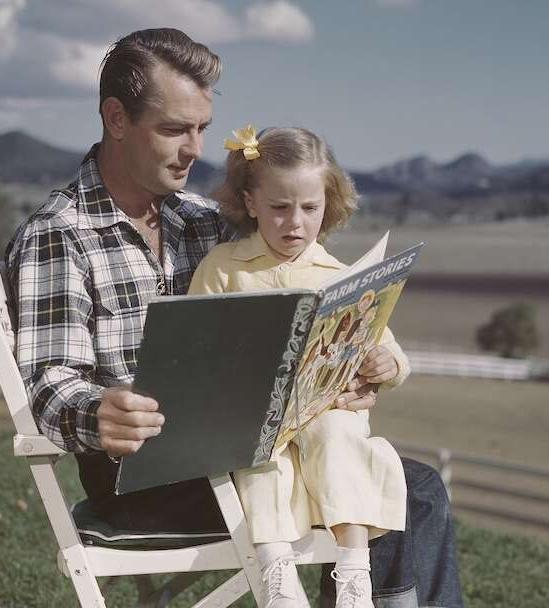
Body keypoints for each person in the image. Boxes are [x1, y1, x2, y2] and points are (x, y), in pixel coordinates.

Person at [4, 27, 463, 608]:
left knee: (381, 472)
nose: (195, 149)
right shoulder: (58, 235)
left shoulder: (203, 222)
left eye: (200, 128)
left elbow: (291, 290)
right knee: (410, 491)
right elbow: (48, 381)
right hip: (152, 477)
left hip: (255, 446)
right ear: (116, 118)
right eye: (174, 129)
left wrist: (346, 370)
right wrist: (97, 413)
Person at [187, 126, 411, 608]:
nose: (295, 222)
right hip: (253, 416)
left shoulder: (339, 275)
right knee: (258, 458)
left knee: (338, 435)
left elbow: (390, 349)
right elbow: (194, 342)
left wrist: (385, 363)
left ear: (326, 206)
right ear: (250, 203)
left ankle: (353, 574)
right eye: (279, 207)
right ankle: (276, 574)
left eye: (309, 208)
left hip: (321, 410)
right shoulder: (225, 267)